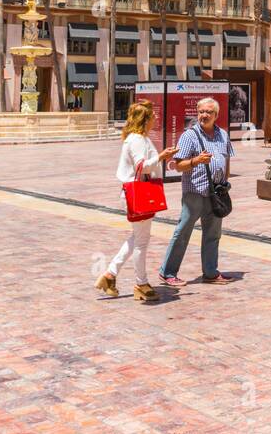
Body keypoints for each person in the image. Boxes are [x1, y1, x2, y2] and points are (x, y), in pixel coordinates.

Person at [96, 101, 178, 302]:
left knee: (136, 238)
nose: (156, 119)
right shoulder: (138, 140)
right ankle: (141, 283)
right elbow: (143, 167)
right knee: (141, 241)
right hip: (139, 193)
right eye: (153, 116)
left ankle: (110, 275)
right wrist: (162, 156)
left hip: (135, 193)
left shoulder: (135, 138)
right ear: (146, 119)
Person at [159, 97, 235, 287]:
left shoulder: (223, 135)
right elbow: (178, 165)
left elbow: (226, 160)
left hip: (216, 193)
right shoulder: (189, 136)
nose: (204, 115)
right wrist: (196, 161)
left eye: (208, 112)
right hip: (195, 191)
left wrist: (224, 183)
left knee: (213, 233)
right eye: (201, 111)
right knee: (183, 231)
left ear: (216, 115)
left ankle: (210, 272)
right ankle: (167, 272)